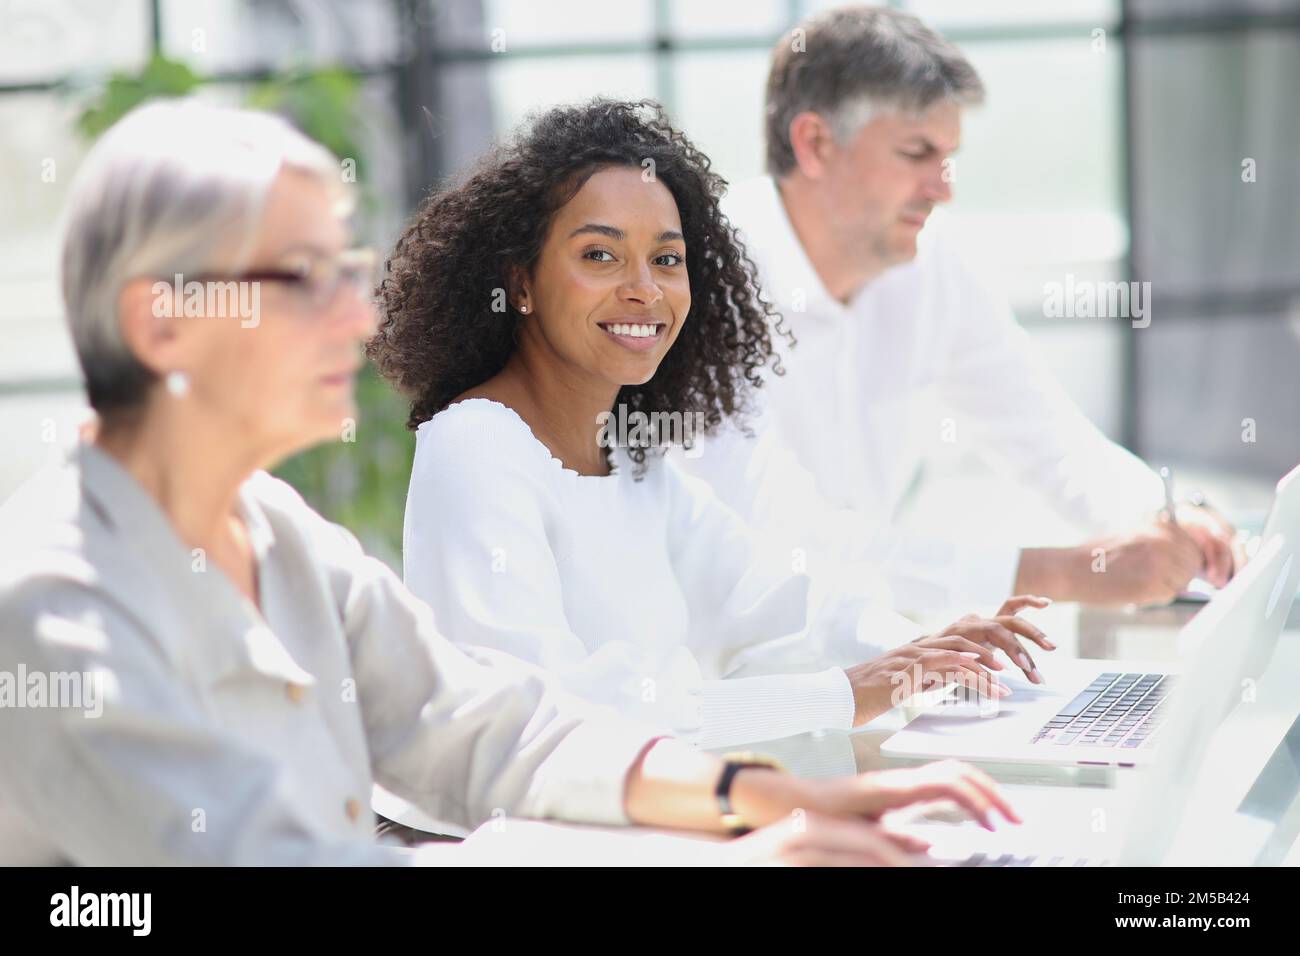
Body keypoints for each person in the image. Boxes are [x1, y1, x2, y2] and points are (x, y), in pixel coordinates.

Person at [0, 98, 1020, 867]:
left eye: (348, 273)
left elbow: (492, 730)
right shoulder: (55, 607)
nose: (357, 319)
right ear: (162, 322)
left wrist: (745, 796)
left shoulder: (276, 534)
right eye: (304, 277)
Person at [370, 98, 1055, 773]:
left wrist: (921, 649)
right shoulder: (476, 447)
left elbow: (771, 594)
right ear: (520, 282)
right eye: (601, 255)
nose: (645, 289)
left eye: (666, 260)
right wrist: (846, 693)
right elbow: (552, 720)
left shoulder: (633, 455)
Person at [677, 5, 1241, 614]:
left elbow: (1050, 439)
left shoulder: (930, 265)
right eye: (916, 153)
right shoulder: (700, 284)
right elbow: (780, 534)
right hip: (730, 679)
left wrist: (1170, 515)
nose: (943, 188)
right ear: (814, 144)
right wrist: (1067, 574)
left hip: (865, 657)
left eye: (948, 156)